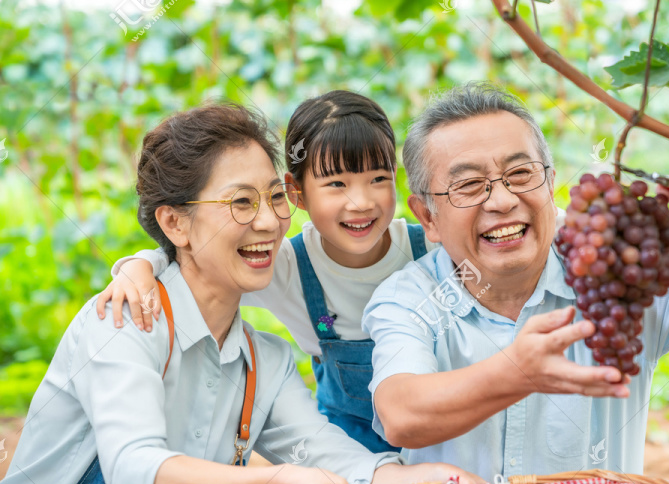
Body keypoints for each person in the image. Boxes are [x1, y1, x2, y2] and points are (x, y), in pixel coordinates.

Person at [0, 102, 482, 484]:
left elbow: (334, 457)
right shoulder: (125, 322)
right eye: (241, 203)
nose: (272, 222)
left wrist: (427, 478)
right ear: (175, 224)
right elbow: (135, 475)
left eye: (275, 198)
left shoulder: (262, 364)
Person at [363, 82, 669, 479]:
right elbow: (402, 415)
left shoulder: (616, 273)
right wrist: (516, 373)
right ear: (427, 218)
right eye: (469, 185)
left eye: (522, 174)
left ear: (550, 182)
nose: (504, 200)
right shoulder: (411, 298)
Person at [99, 90, 435, 455]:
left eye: (378, 179)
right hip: (345, 449)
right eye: (336, 184)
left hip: (440, 438)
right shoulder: (285, 267)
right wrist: (140, 266)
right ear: (296, 193)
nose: (362, 202)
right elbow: (202, 261)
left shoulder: (430, 250)